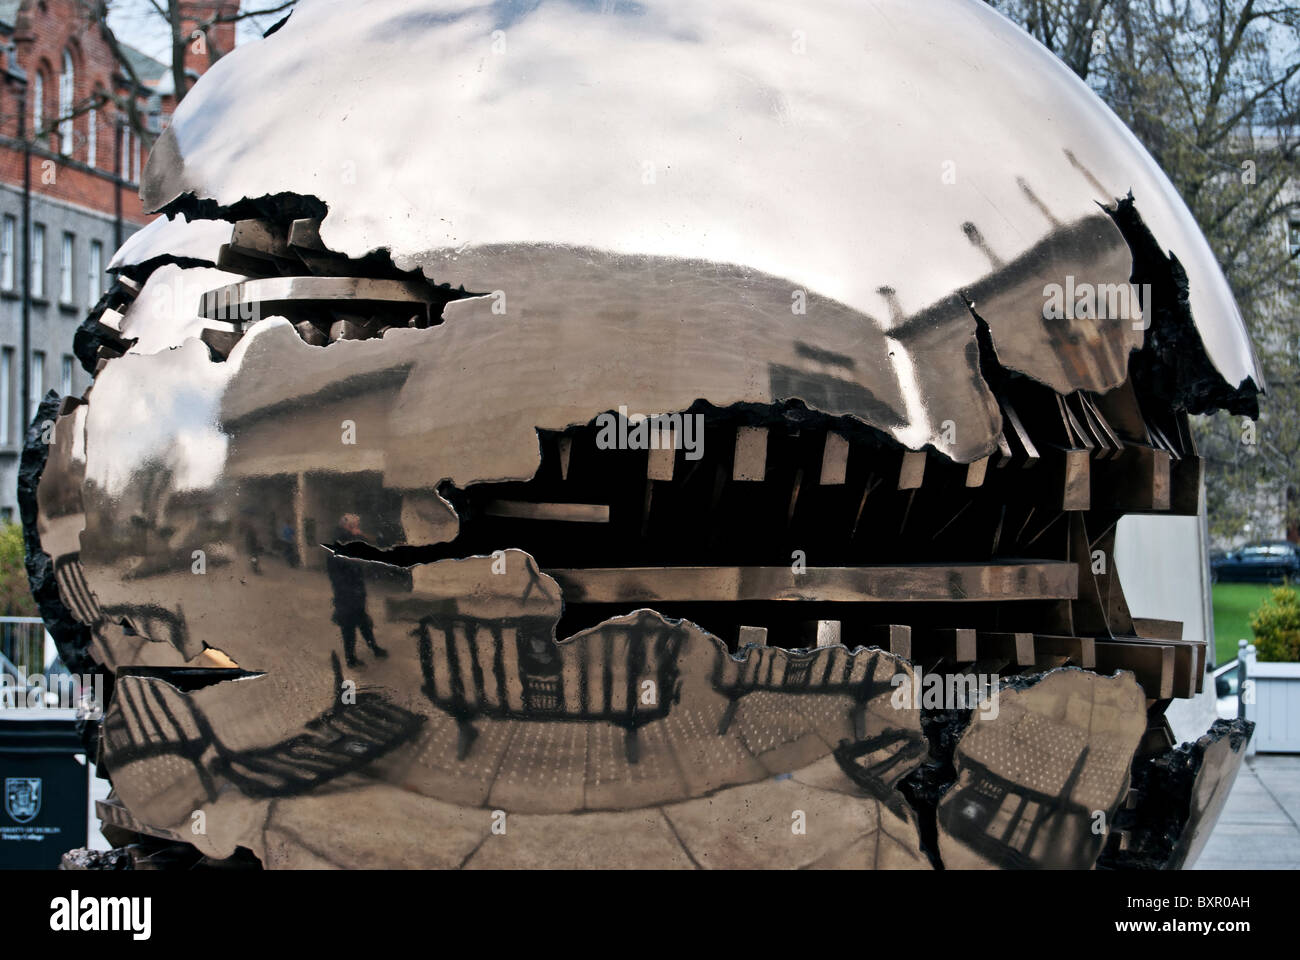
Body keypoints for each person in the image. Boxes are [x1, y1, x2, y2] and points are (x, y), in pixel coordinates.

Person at [325, 513, 388, 667]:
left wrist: (361, 537)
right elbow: (346, 563)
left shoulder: (349, 539)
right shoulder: (339, 541)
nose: (357, 528)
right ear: (347, 526)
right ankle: (350, 658)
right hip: (345, 591)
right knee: (349, 626)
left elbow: (370, 548)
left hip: (355, 589)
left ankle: (373, 648)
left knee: (364, 621)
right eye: (355, 525)